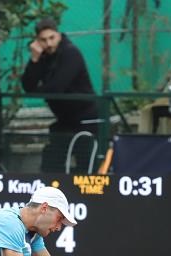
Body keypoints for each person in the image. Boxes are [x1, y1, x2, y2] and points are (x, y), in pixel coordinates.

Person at [21, 18, 99, 173]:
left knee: (87, 166)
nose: (49, 44)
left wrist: (36, 93)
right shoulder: (43, 56)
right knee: (52, 163)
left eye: (52, 38)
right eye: (43, 40)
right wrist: (34, 59)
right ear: (37, 41)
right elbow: (28, 85)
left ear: (59, 35)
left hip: (86, 118)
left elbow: (57, 86)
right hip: (65, 120)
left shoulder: (71, 52)